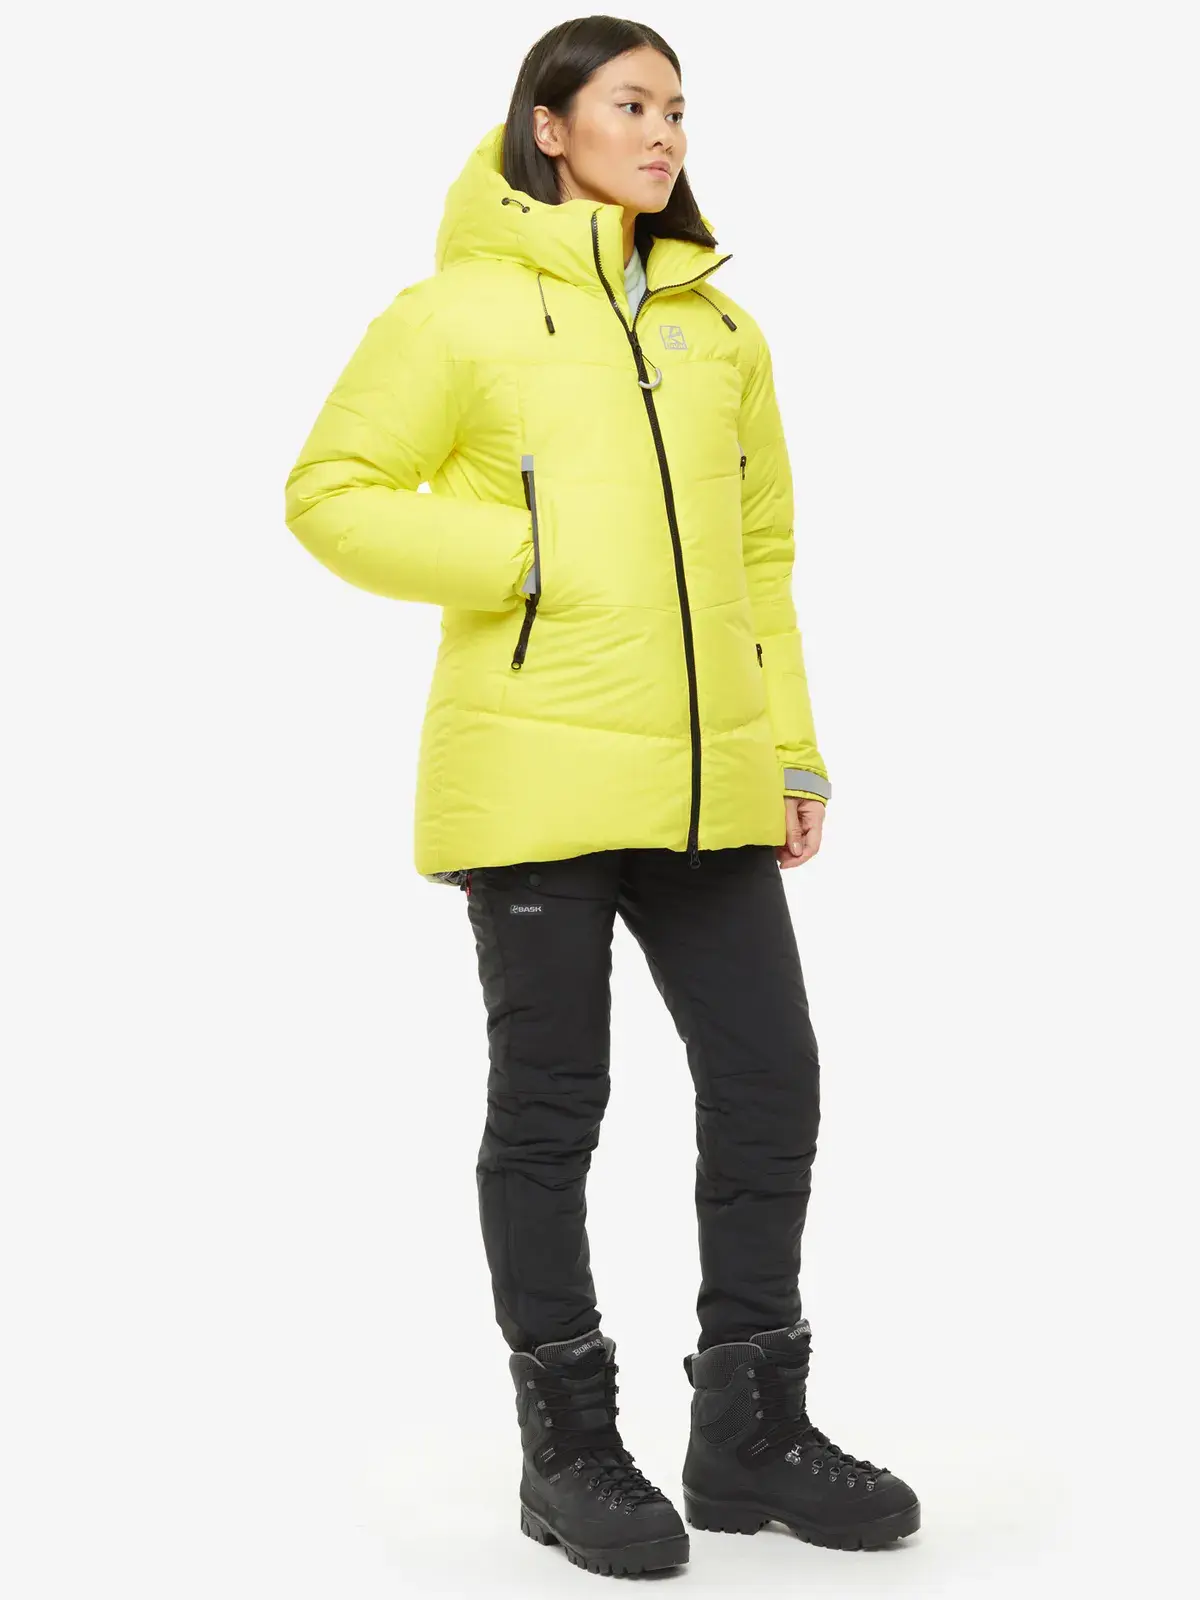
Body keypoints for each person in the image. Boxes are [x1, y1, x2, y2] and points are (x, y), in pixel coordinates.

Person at [284, 14, 919, 1577]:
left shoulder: (722, 332)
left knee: (771, 1084)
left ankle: (749, 1429)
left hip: (708, 778)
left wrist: (792, 751)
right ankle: (568, 1450)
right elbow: (330, 493)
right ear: (550, 124)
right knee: (553, 1107)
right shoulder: (453, 314)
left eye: (679, 109)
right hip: (535, 771)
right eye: (633, 104)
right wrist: (527, 554)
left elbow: (762, 559)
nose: (665, 133)